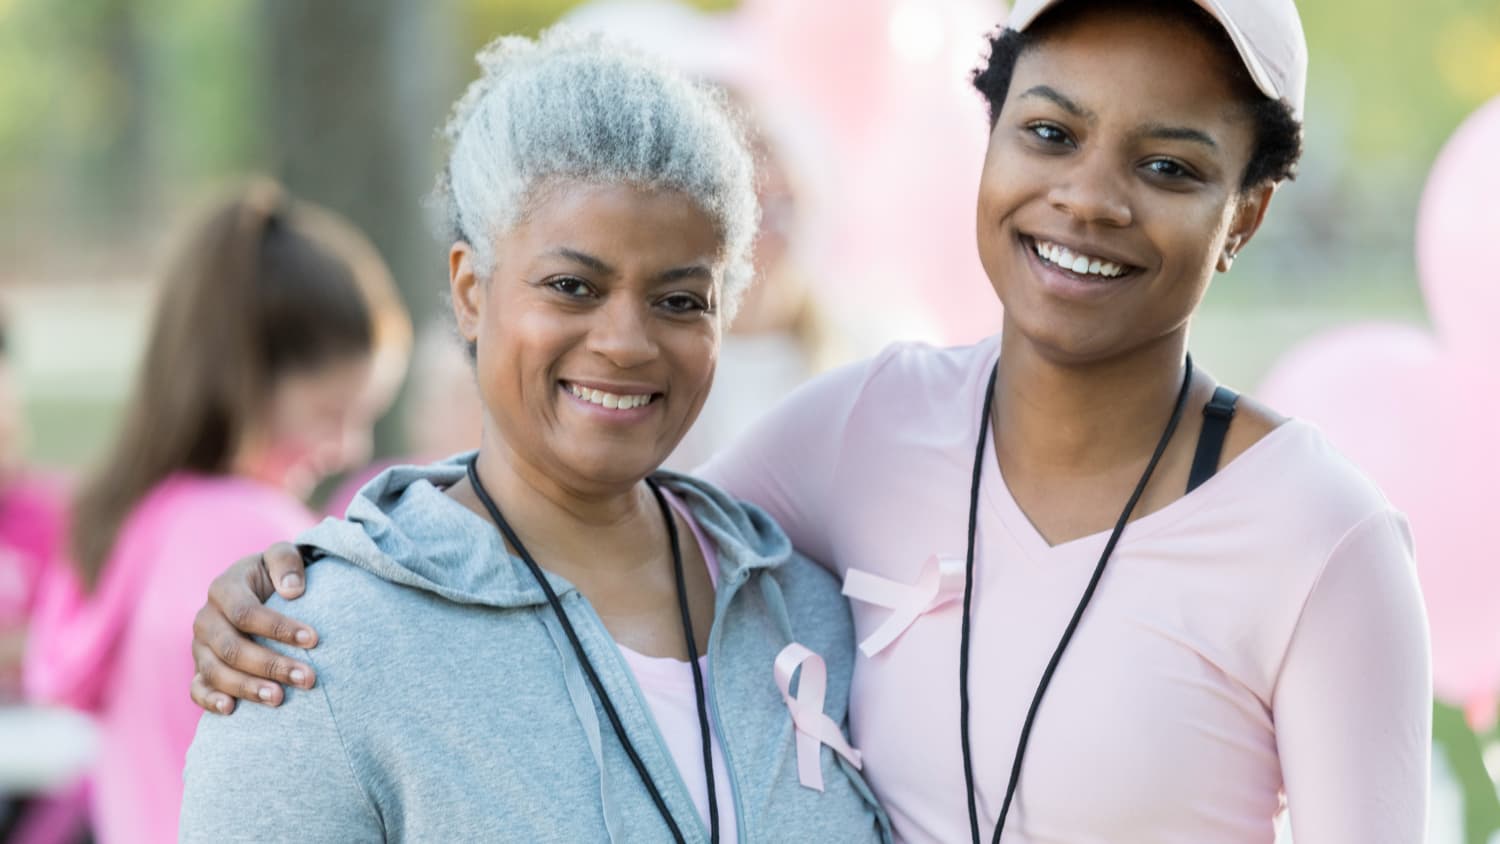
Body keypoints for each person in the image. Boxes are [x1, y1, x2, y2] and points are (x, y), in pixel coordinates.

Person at [188, 1, 1432, 841]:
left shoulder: (1323, 538)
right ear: (987, 138)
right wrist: (326, 566)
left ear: (1249, 212)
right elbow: (578, 492)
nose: (1089, 198)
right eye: (1049, 132)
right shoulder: (860, 431)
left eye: (1169, 165)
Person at [178, 30, 888, 844]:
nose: (626, 342)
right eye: (573, 287)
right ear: (471, 291)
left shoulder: (808, 607)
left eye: (681, 300)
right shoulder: (314, 652)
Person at [20, 181, 412, 844]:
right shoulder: (257, 542)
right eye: (331, 413)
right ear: (246, 379)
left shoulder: (129, 525)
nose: (352, 448)